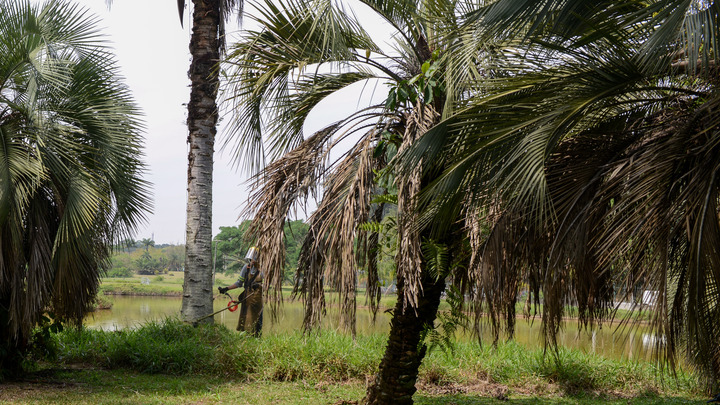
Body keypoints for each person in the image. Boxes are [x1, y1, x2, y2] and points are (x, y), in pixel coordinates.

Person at [218, 246, 263, 336]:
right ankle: (247, 338)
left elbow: (268, 284)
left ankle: (257, 338)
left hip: (257, 300)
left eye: (253, 258)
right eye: (250, 258)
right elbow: (239, 283)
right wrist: (226, 288)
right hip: (246, 299)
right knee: (246, 320)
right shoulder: (246, 268)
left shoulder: (262, 270)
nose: (252, 260)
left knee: (257, 321)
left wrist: (259, 285)